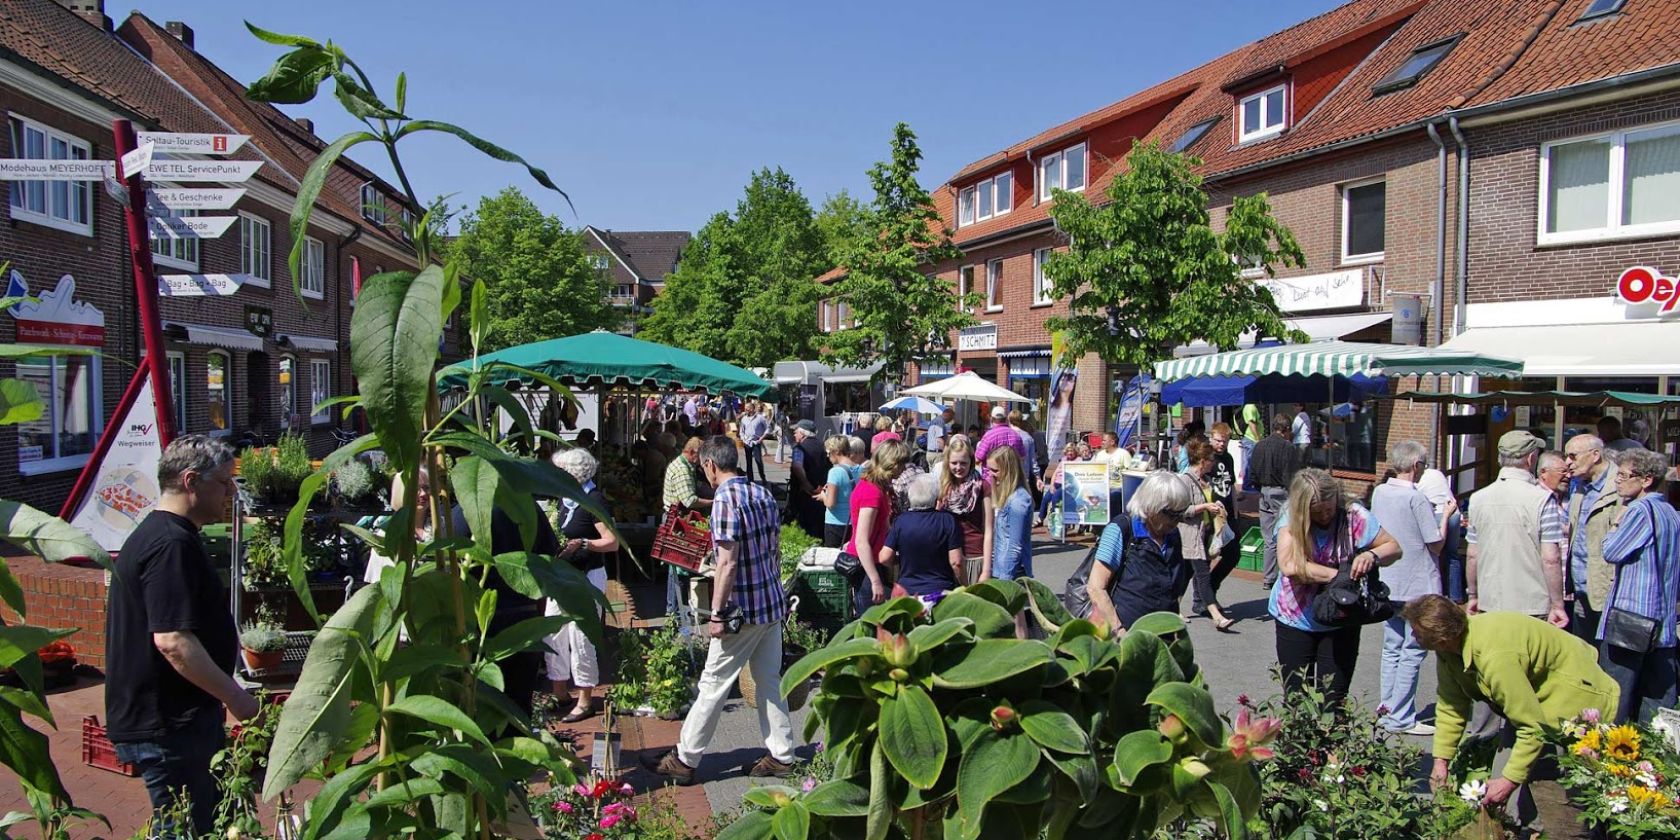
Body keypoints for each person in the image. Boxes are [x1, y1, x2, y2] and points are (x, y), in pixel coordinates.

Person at [105, 435, 258, 835]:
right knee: (188, 829)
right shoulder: (170, 544)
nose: (231, 492)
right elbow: (172, 640)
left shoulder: (165, 535)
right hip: (169, 726)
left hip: (174, 722)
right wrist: (236, 696)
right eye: (225, 482)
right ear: (192, 481)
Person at [647, 437, 797, 785]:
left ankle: (685, 759)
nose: (704, 474)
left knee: (713, 683)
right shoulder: (761, 494)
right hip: (770, 603)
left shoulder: (724, 501)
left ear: (711, 465)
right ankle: (783, 754)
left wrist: (716, 614)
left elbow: (727, 564)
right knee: (769, 682)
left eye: (704, 468)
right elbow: (772, 550)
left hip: (740, 611)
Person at [1409, 595, 1619, 823]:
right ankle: (1527, 827)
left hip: (1576, 698)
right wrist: (1441, 762)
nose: (1412, 636)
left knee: (1572, 794)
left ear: (1441, 637)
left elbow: (1532, 727)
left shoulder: (1495, 657)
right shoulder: (1449, 650)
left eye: (1417, 632)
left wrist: (1510, 781)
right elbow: (1451, 705)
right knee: (1505, 789)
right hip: (1531, 703)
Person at [1270, 468, 1402, 704]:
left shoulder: (1354, 515)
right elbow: (1290, 566)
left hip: (1341, 618)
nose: (1324, 517)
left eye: (1329, 509)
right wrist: (1340, 577)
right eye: (1317, 512)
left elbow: (1393, 548)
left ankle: (1331, 740)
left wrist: (1372, 555)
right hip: (1296, 617)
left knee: (1334, 697)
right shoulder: (1291, 516)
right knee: (1296, 698)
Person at [1369, 441, 1453, 736]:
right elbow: (1436, 543)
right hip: (1417, 582)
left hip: (1389, 580)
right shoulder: (1415, 498)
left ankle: (1387, 708)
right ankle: (1401, 715)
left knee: (1392, 647)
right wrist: (1446, 516)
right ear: (1416, 465)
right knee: (1413, 650)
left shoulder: (1380, 492)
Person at [1597, 448, 1680, 723]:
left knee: (1615, 696)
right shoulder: (1670, 511)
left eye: (1623, 475)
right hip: (1663, 620)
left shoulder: (1639, 512)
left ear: (1645, 480)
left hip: (1631, 619)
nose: (1617, 481)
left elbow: (1611, 551)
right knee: (1656, 702)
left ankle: (1610, 760)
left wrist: (1615, 524)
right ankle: (1655, 761)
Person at [543, 449, 618, 723]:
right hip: (560, 577)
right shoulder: (565, 499)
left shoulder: (593, 500)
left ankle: (585, 699)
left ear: (574, 473)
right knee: (553, 632)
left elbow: (612, 542)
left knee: (581, 637)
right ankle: (560, 691)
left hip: (586, 578)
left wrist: (585, 544)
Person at [1466, 430, 1569, 627]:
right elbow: (1551, 558)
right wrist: (1557, 605)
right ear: (1531, 459)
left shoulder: (1477, 498)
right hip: (1532, 604)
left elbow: (1473, 555)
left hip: (1490, 600)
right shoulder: (1542, 499)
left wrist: (1473, 594)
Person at [1083, 471, 1197, 633]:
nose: (1177, 521)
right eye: (1172, 515)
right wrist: (1119, 631)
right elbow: (1095, 588)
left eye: (1181, 514)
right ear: (1152, 507)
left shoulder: (1172, 534)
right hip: (1127, 636)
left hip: (1164, 633)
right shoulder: (1121, 530)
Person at [1564, 434, 1621, 646]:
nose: (1568, 462)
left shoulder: (1619, 486)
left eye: (1572, 456)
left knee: (1606, 658)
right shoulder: (1580, 486)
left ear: (1595, 455)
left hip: (1605, 588)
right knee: (1584, 652)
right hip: (1580, 587)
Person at [848, 440, 911, 615]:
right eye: (902, 464)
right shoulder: (872, 493)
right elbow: (862, 541)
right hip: (867, 567)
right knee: (871, 622)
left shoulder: (874, 486)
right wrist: (875, 580)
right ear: (892, 464)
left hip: (872, 562)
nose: (904, 469)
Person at [1182, 440, 1237, 632]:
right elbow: (1181, 510)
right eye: (1210, 460)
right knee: (1203, 574)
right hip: (1191, 536)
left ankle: (1173, 606)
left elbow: (1210, 499)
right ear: (1202, 461)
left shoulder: (1205, 480)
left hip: (1206, 532)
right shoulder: (1186, 480)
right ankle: (1217, 617)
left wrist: (1216, 506)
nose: (1213, 463)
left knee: (1187, 574)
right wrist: (1205, 507)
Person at [879, 474, 963, 597]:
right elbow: (956, 562)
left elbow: (884, 558)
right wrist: (964, 585)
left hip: (908, 592)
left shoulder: (901, 521)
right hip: (941, 591)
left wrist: (902, 560)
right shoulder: (947, 520)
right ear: (935, 496)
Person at [663, 436, 714, 627]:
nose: (700, 462)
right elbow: (689, 500)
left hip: (679, 520)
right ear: (692, 453)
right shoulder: (683, 470)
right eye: (699, 457)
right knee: (676, 569)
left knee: (677, 568)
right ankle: (673, 612)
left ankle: (676, 610)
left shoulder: (683, 466)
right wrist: (713, 501)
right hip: (676, 523)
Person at [987, 445, 1035, 637]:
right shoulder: (1010, 496)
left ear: (1008, 469)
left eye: (995, 470)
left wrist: (1005, 577)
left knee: (1016, 619)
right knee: (1017, 617)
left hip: (1011, 569)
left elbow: (1015, 544)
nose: (991, 475)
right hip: (1004, 566)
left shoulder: (1018, 501)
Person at [1248, 414, 1299, 592]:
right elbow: (1291, 475)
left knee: (1269, 538)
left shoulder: (1260, 445)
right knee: (1288, 533)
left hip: (1264, 492)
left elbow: (1252, 470)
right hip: (1281, 493)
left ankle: (1268, 577)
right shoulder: (1288, 448)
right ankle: (1286, 572)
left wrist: (1259, 487)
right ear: (1285, 430)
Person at [937, 436, 992, 586]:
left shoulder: (982, 486)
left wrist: (986, 569)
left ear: (971, 462)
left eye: (963, 463)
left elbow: (988, 530)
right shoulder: (944, 486)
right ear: (947, 463)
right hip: (948, 556)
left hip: (974, 555)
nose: (958, 467)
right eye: (954, 463)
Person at [363, 468, 431, 585]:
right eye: (416, 488)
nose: (423, 494)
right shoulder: (386, 533)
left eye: (426, 488)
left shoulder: (440, 527)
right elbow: (380, 583)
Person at [1415, 463, 1464, 603]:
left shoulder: (1418, 479)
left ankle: (1435, 594)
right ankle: (1456, 596)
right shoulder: (1438, 473)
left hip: (1437, 514)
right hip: (1454, 513)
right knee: (1452, 554)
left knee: (1433, 553)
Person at [1207, 423, 1242, 591]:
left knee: (1233, 553)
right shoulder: (1207, 457)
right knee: (1206, 556)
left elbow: (1232, 486)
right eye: (1219, 441)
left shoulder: (1228, 458)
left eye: (1225, 441)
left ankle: (1212, 585)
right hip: (1211, 512)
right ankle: (1202, 597)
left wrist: (1235, 512)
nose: (1222, 444)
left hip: (1227, 512)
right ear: (1211, 438)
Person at [818, 436, 863, 549]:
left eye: (828, 452)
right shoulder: (860, 469)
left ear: (836, 451)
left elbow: (830, 503)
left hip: (836, 522)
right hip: (854, 521)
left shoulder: (835, 472)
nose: (827, 456)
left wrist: (823, 495)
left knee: (834, 559)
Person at [790, 420, 831, 539]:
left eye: (796, 432)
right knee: (817, 526)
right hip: (821, 492)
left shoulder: (799, 448)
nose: (794, 434)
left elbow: (797, 466)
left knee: (803, 528)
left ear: (803, 434)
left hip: (804, 493)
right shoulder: (822, 446)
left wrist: (806, 484)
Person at [1091, 430, 1131, 517]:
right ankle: (1095, 525)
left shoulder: (1123, 454)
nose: (1102, 442)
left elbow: (1129, 472)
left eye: (1104, 440)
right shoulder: (1100, 454)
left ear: (1112, 442)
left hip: (1117, 487)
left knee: (1112, 497)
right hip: (1101, 487)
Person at [976, 405, 1028, 471]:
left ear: (991, 418)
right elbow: (1022, 457)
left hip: (991, 478)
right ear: (1006, 419)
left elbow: (978, 459)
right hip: (1011, 477)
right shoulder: (1016, 435)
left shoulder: (988, 436)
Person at [1045, 368, 1077, 469]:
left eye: (1070, 378)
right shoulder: (1052, 407)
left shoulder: (1072, 407)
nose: (1064, 381)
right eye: (1063, 377)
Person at [740, 400, 770, 485]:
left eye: (747, 409)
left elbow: (768, 428)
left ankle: (763, 477)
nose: (746, 410)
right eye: (745, 409)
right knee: (748, 462)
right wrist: (743, 439)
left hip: (756, 442)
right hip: (747, 442)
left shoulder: (760, 418)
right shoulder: (744, 419)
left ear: (752, 409)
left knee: (758, 461)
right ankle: (750, 480)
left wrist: (761, 438)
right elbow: (741, 431)